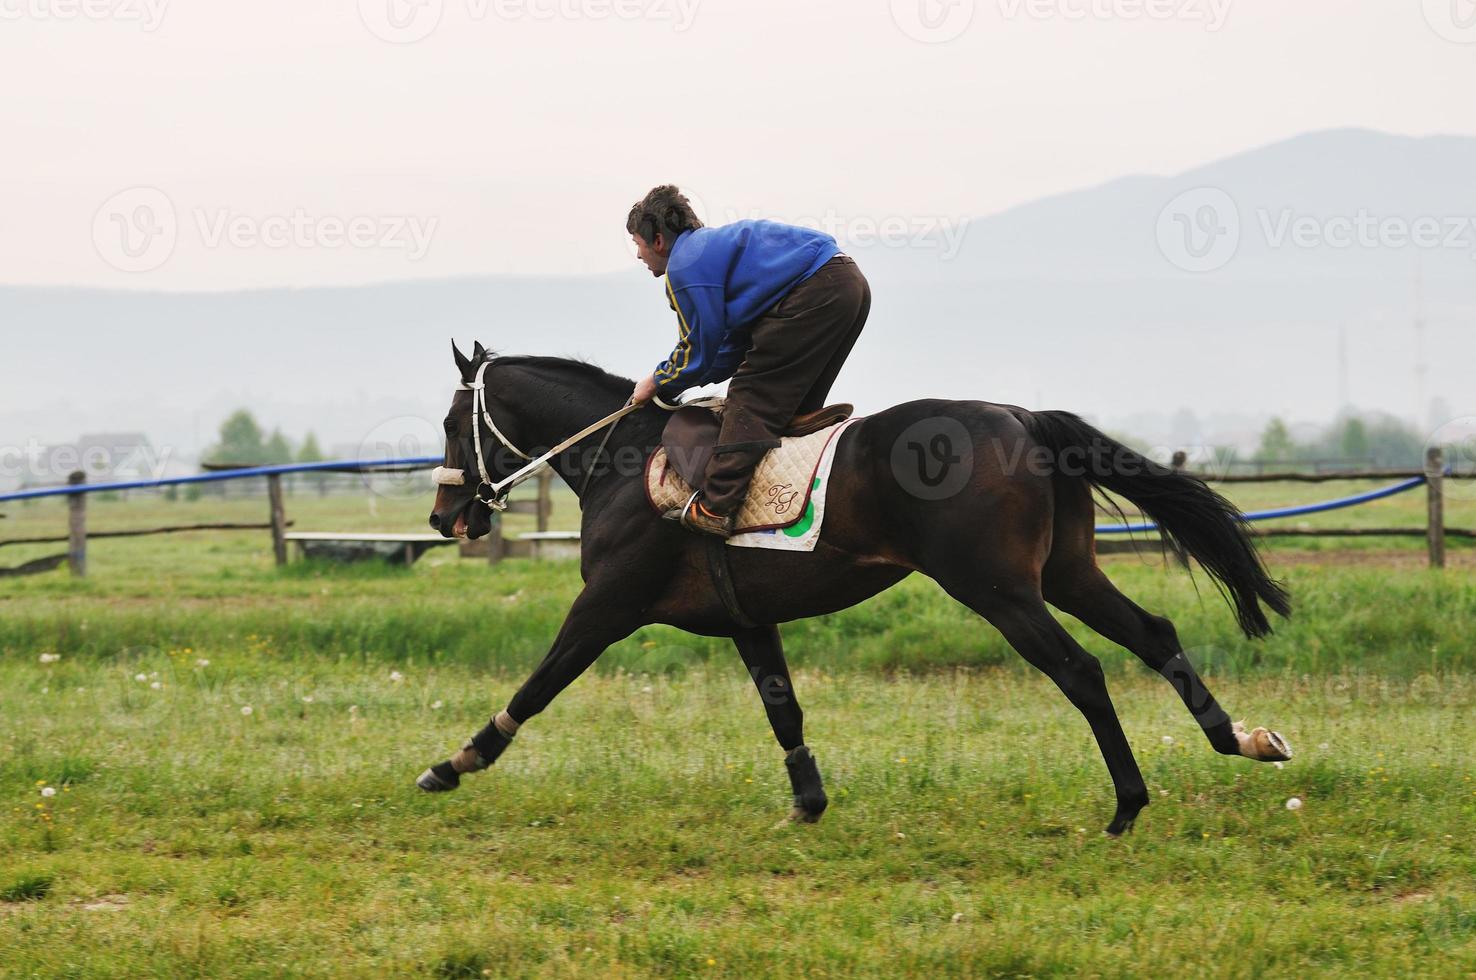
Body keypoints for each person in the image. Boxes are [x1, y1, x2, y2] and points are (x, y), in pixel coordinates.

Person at [627, 185, 872, 537]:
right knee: (773, 392)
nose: (638, 256)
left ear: (659, 240)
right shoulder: (709, 252)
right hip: (846, 283)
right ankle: (796, 419)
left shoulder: (685, 266)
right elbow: (728, 349)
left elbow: (698, 350)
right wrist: (677, 381)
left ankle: (715, 506)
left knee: (750, 395)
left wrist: (656, 381)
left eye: (637, 244)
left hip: (816, 290)